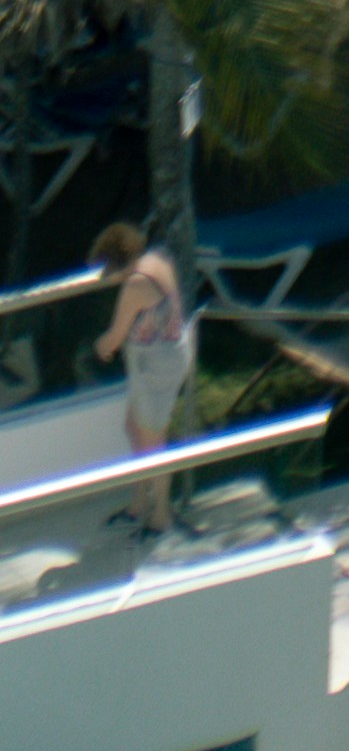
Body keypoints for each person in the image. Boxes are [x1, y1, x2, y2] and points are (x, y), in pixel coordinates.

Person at [94, 221, 189, 534]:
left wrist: (98, 346)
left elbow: (113, 338)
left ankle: (160, 516)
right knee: (134, 428)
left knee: (152, 444)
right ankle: (139, 504)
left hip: (155, 366)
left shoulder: (135, 285)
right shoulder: (158, 257)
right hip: (160, 356)